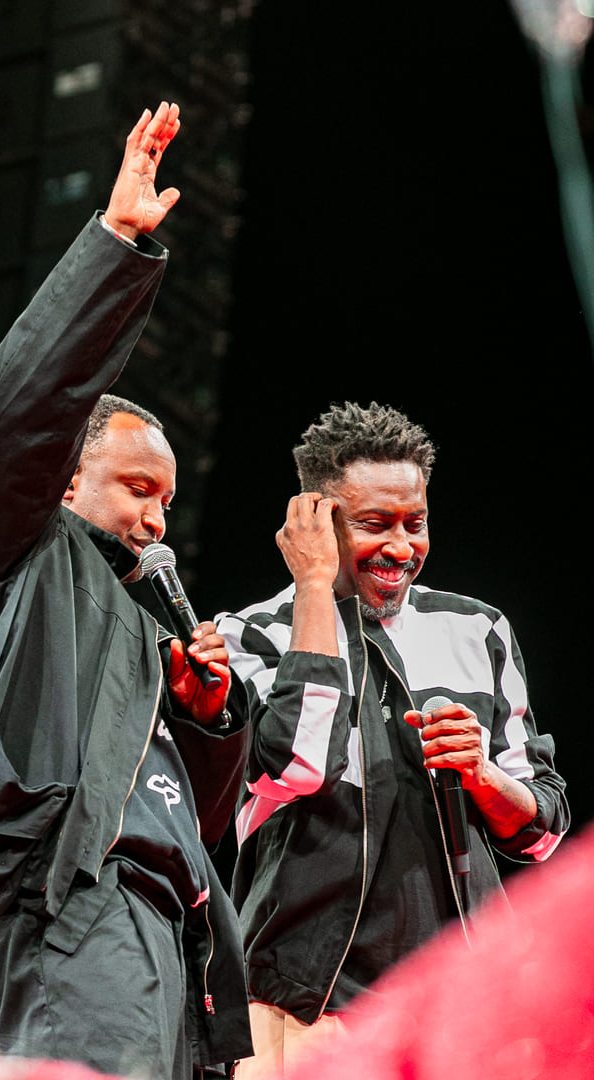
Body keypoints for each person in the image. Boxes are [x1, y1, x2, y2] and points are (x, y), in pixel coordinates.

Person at [0, 102, 252, 1080]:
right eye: (137, 487)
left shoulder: (137, 629)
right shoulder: (6, 543)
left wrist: (209, 724)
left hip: (171, 939)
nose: (157, 519)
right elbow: (27, 407)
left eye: (167, 501)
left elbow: (190, 819)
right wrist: (116, 244)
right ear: (60, 479)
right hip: (68, 913)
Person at [215, 400, 569, 1079]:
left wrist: (483, 775)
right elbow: (295, 764)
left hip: (462, 1008)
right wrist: (314, 586)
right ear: (314, 520)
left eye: (416, 523)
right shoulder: (250, 635)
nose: (402, 549)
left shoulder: (478, 630)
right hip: (305, 1005)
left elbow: (543, 832)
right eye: (375, 525)